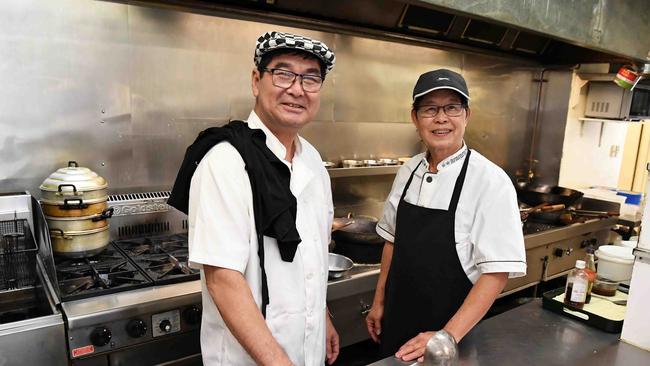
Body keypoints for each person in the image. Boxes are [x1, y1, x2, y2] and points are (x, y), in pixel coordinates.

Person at [168, 31, 339, 365]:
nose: (297, 89)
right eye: (283, 73)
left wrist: (323, 317)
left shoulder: (313, 161)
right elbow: (223, 281)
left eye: (310, 79)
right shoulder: (225, 161)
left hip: (308, 349)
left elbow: (312, 256)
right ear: (256, 80)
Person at [365, 69, 526, 362]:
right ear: (415, 119)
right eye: (430, 109)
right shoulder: (408, 170)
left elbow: (496, 273)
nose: (441, 118)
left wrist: (446, 337)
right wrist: (379, 302)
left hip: (454, 332)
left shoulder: (490, 181)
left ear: (467, 115)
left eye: (452, 107)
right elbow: (392, 242)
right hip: (398, 320)